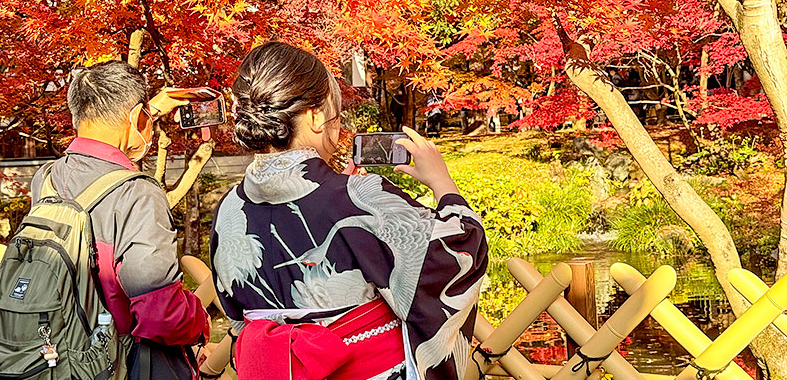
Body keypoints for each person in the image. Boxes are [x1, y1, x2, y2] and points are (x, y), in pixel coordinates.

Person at [210, 42, 488, 380]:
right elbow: (455, 254)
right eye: (334, 116)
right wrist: (442, 183)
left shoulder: (229, 208)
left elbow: (239, 315)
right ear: (314, 117)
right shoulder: (356, 197)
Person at [30, 61, 211, 379]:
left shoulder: (46, 179)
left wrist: (147, 112)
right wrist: (200, 323)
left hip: (60, 356)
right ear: (137, 117)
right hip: (121, 364)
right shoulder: (137, 194)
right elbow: (161, 315)